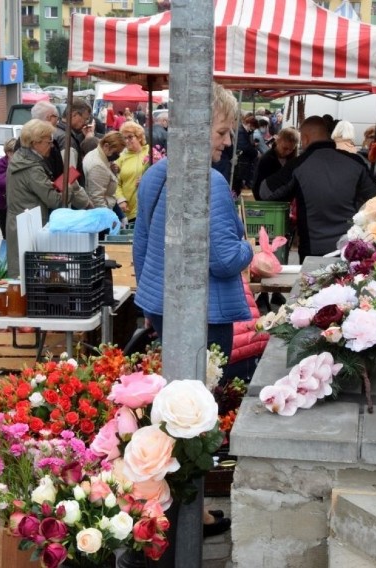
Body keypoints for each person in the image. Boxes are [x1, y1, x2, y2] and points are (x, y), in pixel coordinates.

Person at [133, 84, 252, 538]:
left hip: (166, 308)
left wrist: (149, 304)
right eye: (222, 132)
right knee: (199, 417)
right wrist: (250, 252)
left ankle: (176, 510)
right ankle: (192, 515)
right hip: (205, 313)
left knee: (171, 413)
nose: (227, 142)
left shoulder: (154, 174)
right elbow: (221, 256)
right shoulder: (212, 181)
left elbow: (142, 243)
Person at [259, 115, 376, 263]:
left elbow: (265, 192)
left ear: (305, 138)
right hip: (350, 248)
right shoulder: (356, 162)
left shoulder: (298, 165)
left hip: (312, 252)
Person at [5, 119, 91, 279]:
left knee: (23, 273)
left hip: (20, 223)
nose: (51, 146)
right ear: (35, 143)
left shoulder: (20, 159)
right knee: (28, 276)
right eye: (48, 141)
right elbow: (55, 201)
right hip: (29, 227)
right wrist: (69, 185)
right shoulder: (32, 168)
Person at [114, 121, 150, 224]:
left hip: (147, 205)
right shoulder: (120, 157)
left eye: (130, 137)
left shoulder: (151, 153)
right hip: (128, 208)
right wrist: (120, 199)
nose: (127, 141)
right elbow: (115, 182)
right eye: (124, 138)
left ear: (139, 137)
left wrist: (146, 180)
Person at [83, 131, 126, 214]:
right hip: (101, 213)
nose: (118, 155)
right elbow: (97, 199)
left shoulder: (100, 156)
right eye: (116, 152)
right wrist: (107, 218)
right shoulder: (98, 165)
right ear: (106, 146)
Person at [252, 126, 299, 200]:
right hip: (269, 202)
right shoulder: (266, 160)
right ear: (278, 141)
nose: (287, 152)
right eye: (285, 148)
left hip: (286, 202)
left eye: (291, 149)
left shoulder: (293, 160)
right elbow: (257, 185)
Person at [0, 137, 17, 239]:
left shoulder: (22, 165)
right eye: (10, 152)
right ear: (7, 152)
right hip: (1, 206)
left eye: (15, 152)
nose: (12, 154)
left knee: (17, 236)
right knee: (6, 236)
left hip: (18, 207)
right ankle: (7, 255)